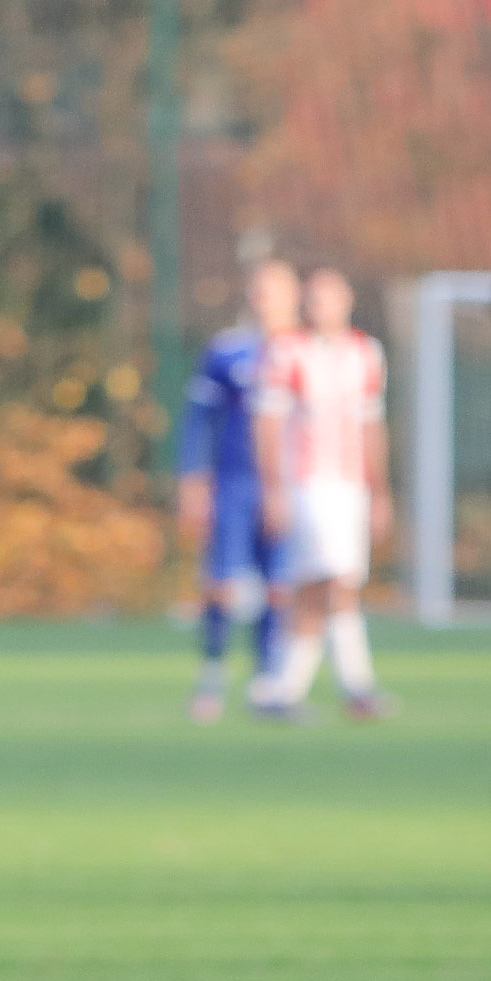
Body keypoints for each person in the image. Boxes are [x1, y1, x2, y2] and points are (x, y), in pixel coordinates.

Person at [253, 266, 392, 718]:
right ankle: (353, 686)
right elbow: (268, 423)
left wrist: (379, 491)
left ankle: (286, 690)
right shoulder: (287, 351)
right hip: (307, 484)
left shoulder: (366, 352)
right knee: (333, 580)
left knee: (327, 584)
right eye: (313, 298)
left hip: (351, 485)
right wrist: (273, 488)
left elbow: (372, 424)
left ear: (347, 299)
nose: (320, 307)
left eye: (329, 297)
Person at [175, 261, 300, 723]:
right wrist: (193, 480)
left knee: (279, 585)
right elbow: (198, 419)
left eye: (273, 291)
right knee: (222, 584)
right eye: (257, 291)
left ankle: (267, 682)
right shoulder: (227, 350)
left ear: (293, 295)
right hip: (233, 484)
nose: (263, 300)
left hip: (290, 486)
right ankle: (212, 678)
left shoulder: (305, 352)